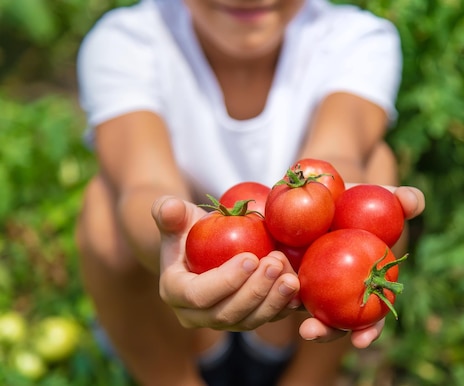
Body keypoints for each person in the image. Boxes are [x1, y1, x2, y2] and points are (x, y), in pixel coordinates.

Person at [74, 0, 426, 384]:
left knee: (377, 177)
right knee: (104, 206)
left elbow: (337, 158)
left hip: (297, 303)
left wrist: (334, 227)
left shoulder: (356, 37)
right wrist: (173, 246)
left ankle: (308, 379)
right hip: (188, 318)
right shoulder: (127, 40)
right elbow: (144, 183)